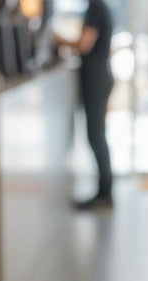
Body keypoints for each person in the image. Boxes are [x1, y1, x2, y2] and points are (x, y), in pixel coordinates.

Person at [55, 0, 115, 210]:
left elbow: (84, 44)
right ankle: (103, 193)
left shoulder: (97, 8)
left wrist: (58, 39)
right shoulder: (98, 8)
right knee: (96, 135)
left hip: (97, 78)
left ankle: (105, 194)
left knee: (96, 135)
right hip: (98, 76)